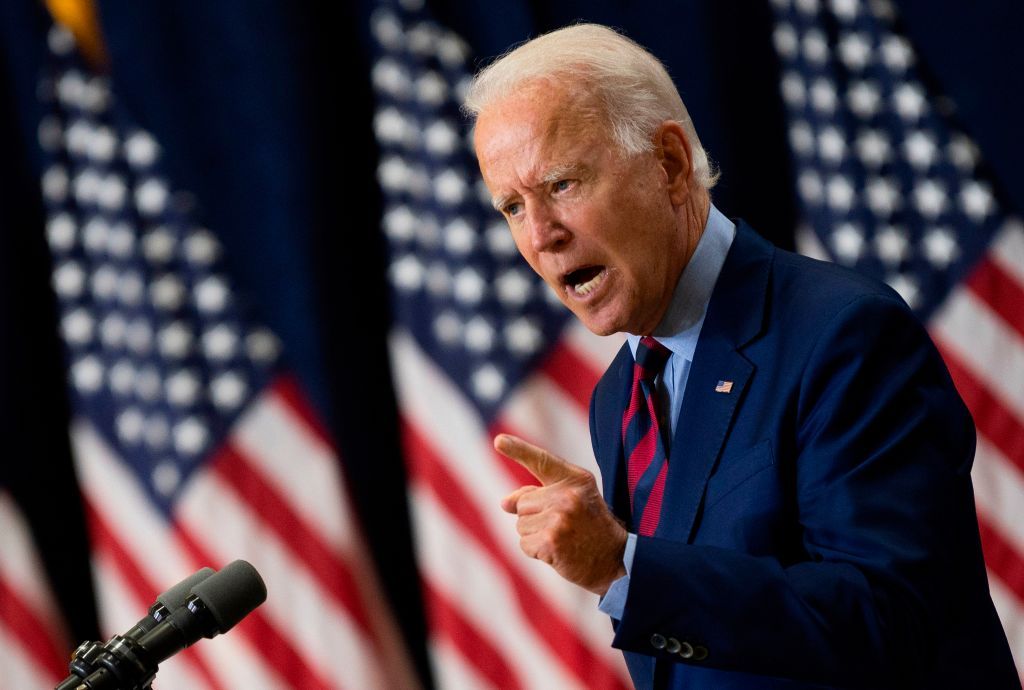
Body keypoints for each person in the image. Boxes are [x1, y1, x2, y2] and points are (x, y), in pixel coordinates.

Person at [464, 23, 1019, 689]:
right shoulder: (621, 396)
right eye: (512, 207)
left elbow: (888, 618)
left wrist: (622, 567)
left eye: (561, 185)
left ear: (668, 164)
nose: (542, 236)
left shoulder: (843, 335)